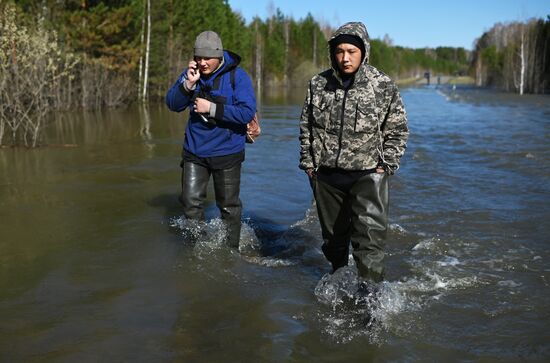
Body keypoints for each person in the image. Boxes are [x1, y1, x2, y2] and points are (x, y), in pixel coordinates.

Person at [299, 22, 409, 284]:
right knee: (334, 243)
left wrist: (386, 165)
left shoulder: (381, 85)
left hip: (368, 176)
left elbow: (398, 129)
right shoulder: (318, 84)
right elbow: (307, 126)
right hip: (327, 179)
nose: (345, 58)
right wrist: (310, 165)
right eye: (339, 51)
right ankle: (338, 287)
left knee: (369, 245)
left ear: (363, 52)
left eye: (351, 51)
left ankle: (371, 305)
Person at [166, 30, 256, 248]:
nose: (202, 63)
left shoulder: (238, 76)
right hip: (194, 152)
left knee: (228, 207)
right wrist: (187, 86)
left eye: (207, 58)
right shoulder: (191, 73)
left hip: (227, 153)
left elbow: (246, 112)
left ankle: (230, 252)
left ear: (219, 56)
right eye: (198, 57)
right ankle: (195, 249)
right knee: (190, 203)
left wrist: (212, 108)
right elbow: (172, 104)